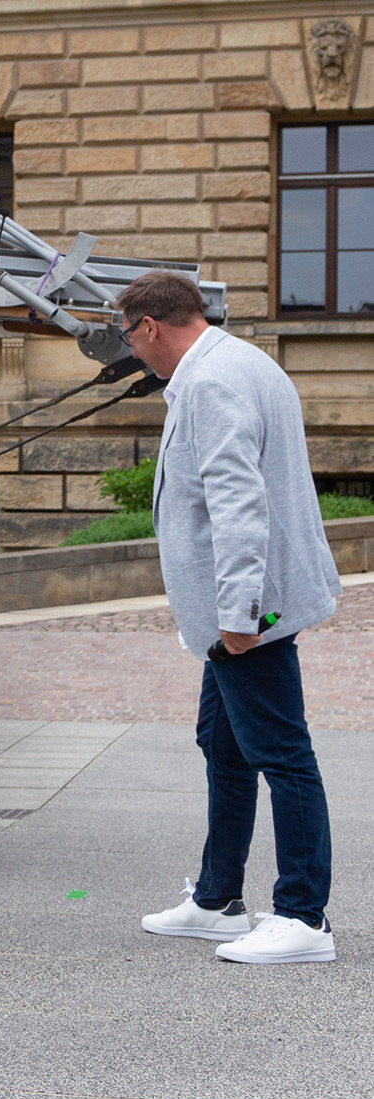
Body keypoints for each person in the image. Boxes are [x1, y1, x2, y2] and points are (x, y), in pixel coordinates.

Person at [123, 271, 341, 964]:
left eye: (128, 337)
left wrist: (241, 613)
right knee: (223, 744)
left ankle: (305, 916)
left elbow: (240, 504)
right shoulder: (242, 360)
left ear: (150, 326)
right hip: (241, 606)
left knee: (282, 753)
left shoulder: (211, 381)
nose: (131, 352)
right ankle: (218, 899)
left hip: (247, 609)